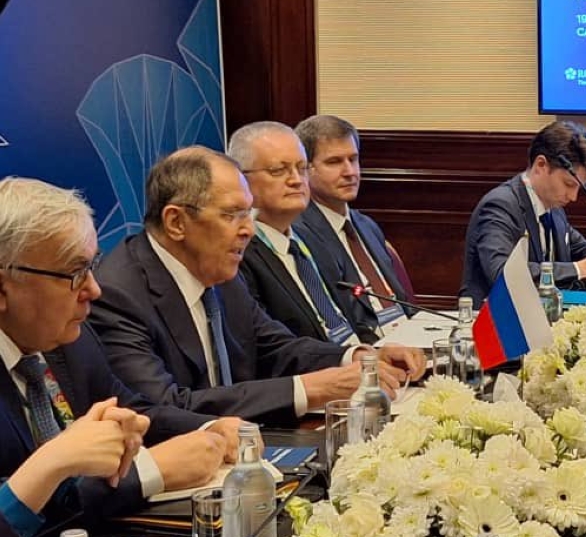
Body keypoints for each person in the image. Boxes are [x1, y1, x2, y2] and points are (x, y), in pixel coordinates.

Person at [88, 147, 426, 426]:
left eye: (249, 213)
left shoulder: (220, 272)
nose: (248, 230)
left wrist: (357, 356)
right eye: (232, 214)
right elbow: (162, 408)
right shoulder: (118, 294)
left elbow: (275, 347)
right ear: (176, 222)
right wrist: (311, 388)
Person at [0, 177, 231, 537]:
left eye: (93, 266)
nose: (94, 289)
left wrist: (210, 428)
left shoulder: (70, 340)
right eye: (74, 274)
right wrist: (151, 469)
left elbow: (130, 408)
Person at [228, 122, 376, 344]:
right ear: (241, 178)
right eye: (278, 170)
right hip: (316, 371)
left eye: (302, 167)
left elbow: (353, 317)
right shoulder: (239, 253)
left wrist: (380, 352)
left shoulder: (314, 236)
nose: (296, 180)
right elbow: (268, 347)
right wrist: (351, 359)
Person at [459, 120, 586, 307]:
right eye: (568, 184)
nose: (573, 197)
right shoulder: (500, 205)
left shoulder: (553, 209)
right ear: (541, 165)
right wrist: (578, 269)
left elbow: (581, 248)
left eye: (579, 188)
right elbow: (503, 275)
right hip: (494, 323)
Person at [294, 114, 416, 327]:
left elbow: (403, 303)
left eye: (353, 159)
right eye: (334, 162)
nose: (349, 172)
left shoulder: (366, 225)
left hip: (404, 334)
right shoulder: (300, 233)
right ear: (306, 169)